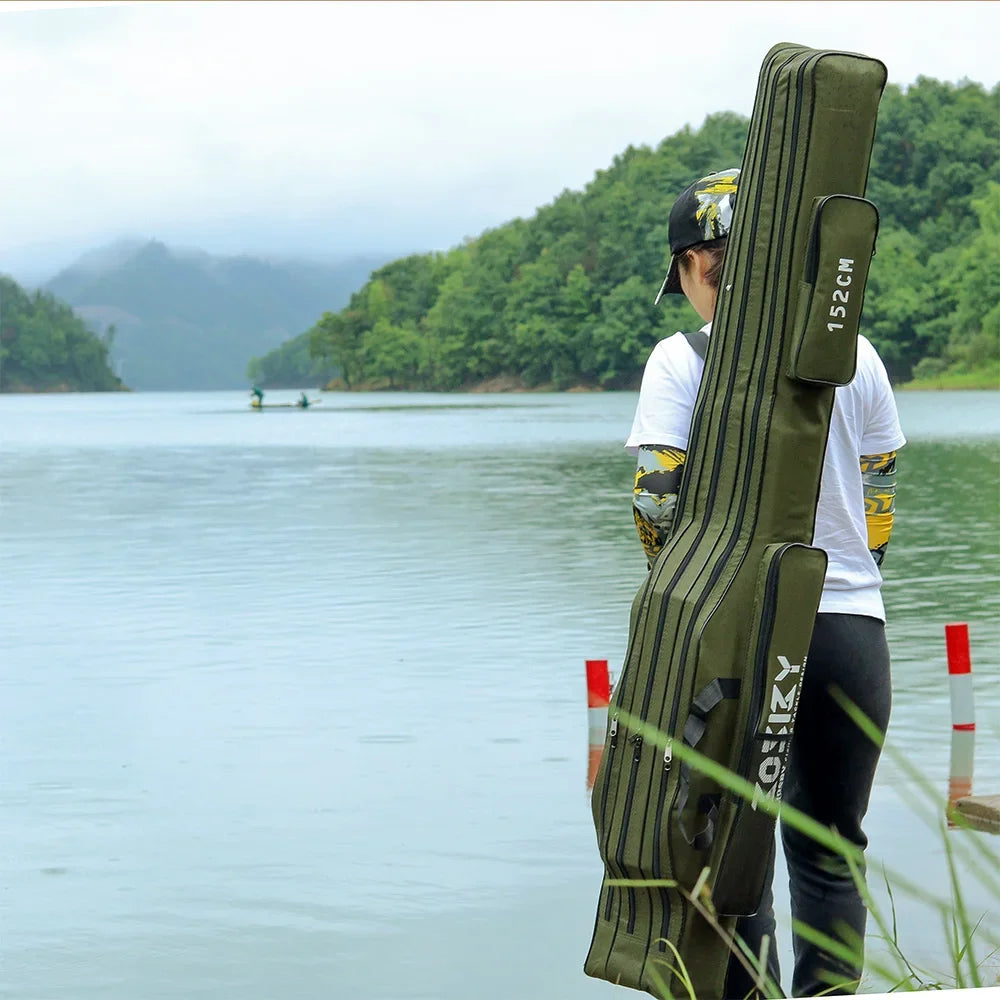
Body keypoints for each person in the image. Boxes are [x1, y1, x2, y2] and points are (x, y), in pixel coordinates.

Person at [626, 169, 906, 998]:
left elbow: (656, 493)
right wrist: (861, 568)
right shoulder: (855, 350)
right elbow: (881, 476)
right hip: (853, 630)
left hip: (746, 633)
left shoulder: (679, 361)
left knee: (733, 848)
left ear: (693, 267)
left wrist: (683, 603)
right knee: (829, 847)